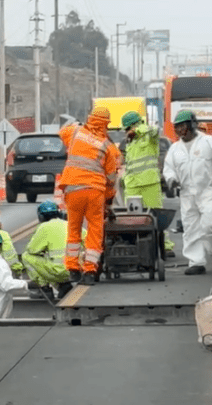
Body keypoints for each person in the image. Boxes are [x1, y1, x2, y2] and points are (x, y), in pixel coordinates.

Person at [163, 110, 212, 275]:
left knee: (210, 224)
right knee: (190, 228)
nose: (180, 131)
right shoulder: (175, 149)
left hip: (207, 191)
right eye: (177, 128)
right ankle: (196, 261)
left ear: (192, 125)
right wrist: (171, 180)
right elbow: (168, 169)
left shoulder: (209, 142)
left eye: (183, 126)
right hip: (186, 194)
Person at [57, 106, 121, 285]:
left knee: (74, 228)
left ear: (90, 118)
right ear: (106, 124)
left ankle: (72, 269)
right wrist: (109, 200)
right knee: (95, 230)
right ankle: (90, 272)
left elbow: (61, 133)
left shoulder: (75, 132)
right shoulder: (108, 147)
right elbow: (110, 179)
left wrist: (78, 125)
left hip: (73, 188)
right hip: (95, 191)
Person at [120, 111, 176, 258]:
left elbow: (154, 130)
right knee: (132, 217)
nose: (126, 132)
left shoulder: (149, 135)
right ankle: (135, 244)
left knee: (156, 215)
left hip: (149, 182)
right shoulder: (129, 142)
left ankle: (165, 246)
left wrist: (136, 130)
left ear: (134, 125)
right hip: (132, 184)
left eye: (127, 128)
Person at [22, 201, 75, 300]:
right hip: (74, 270)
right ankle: (64, 286)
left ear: (41, 217)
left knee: (26, 256)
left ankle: (44, 289)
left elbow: (32, 250)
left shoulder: (44, 227)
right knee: (53, 261)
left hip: (59, 271)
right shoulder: (70, 224)